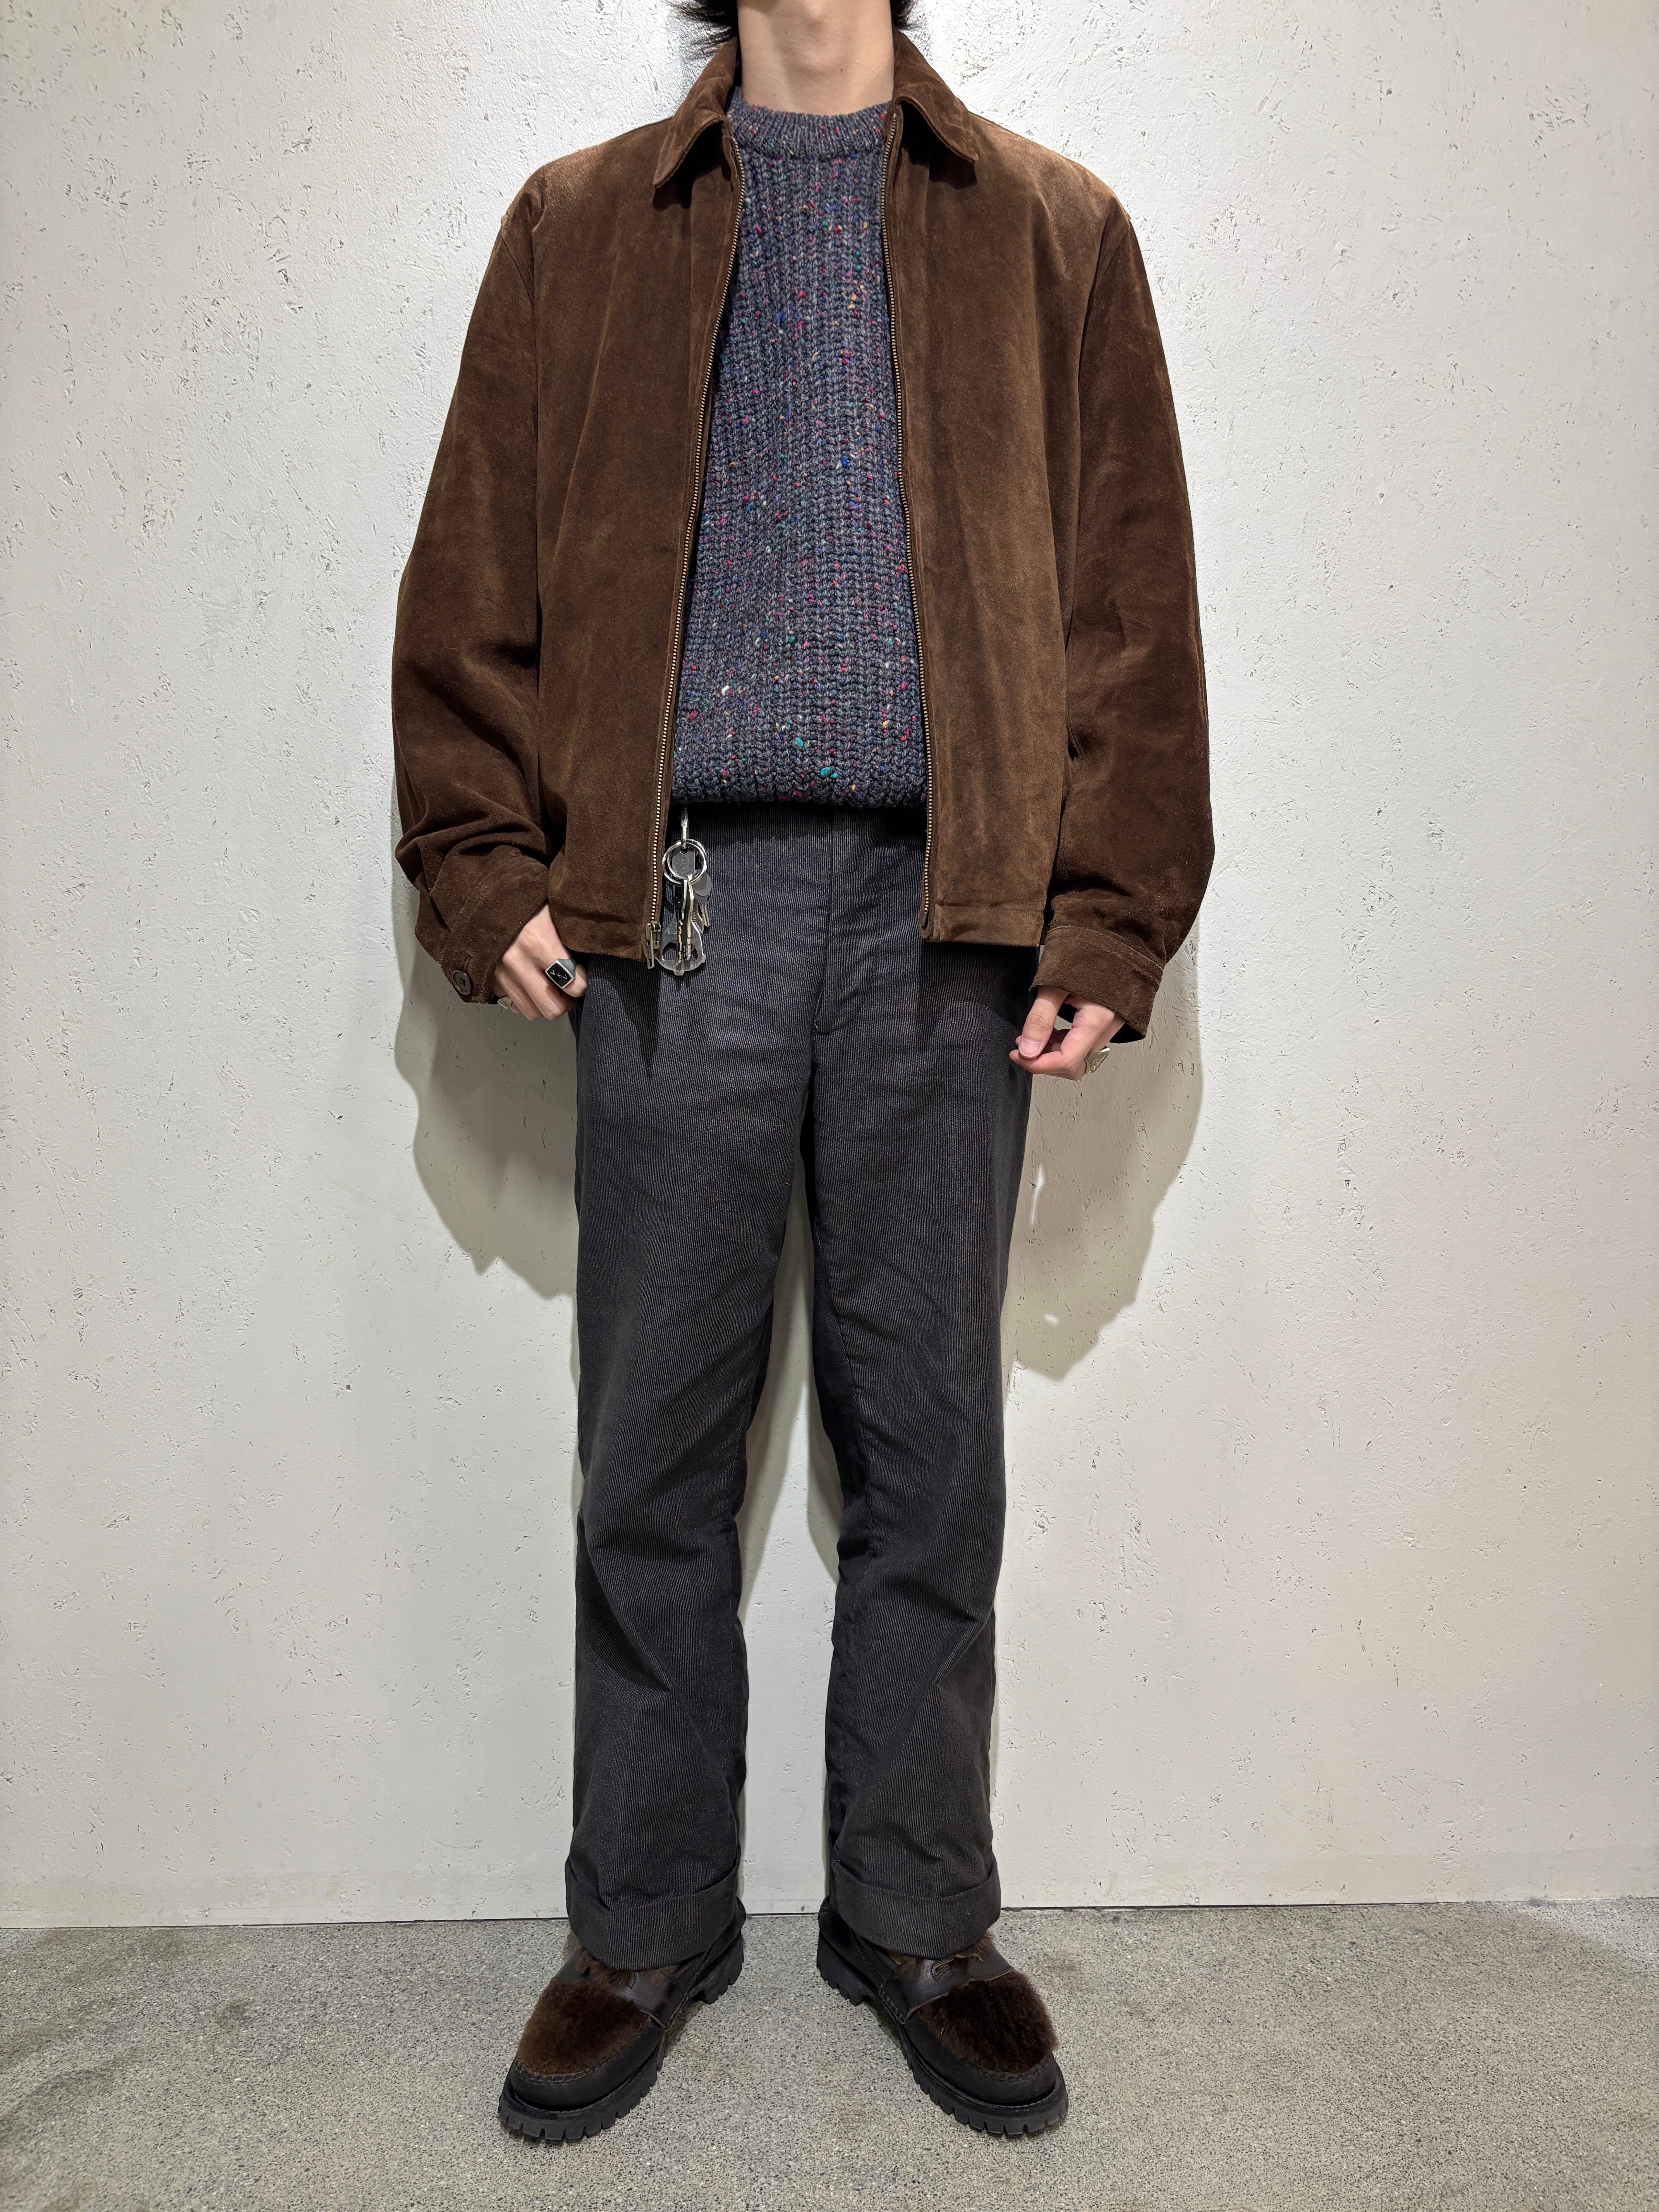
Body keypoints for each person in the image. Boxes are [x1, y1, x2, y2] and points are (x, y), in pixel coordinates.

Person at [391, 0, 1211, 2144]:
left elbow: (1132, 607)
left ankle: (919, 1918)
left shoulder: (1052, 230)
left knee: (930, 1444)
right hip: (677, 907)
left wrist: (1108, 915)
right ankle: (643, 1921)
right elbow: (473, 572)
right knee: (651, 1445)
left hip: (957, 913)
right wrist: (483, 864)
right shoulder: (582, 228)